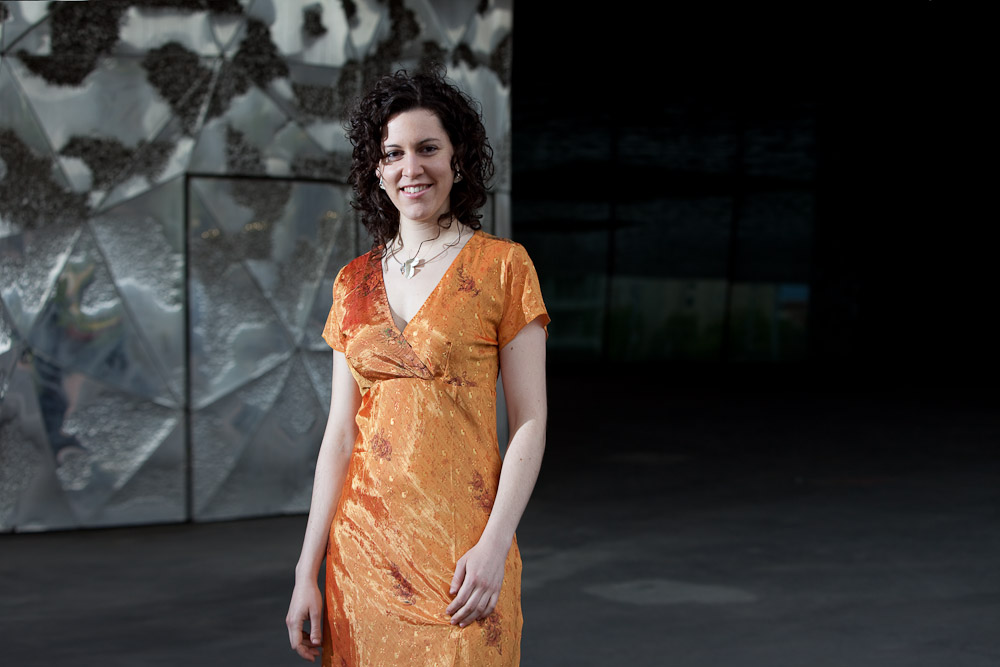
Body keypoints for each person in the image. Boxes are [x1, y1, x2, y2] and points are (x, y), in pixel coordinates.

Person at [285, 66, 549, 666]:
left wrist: (495, 544)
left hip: (464, 558)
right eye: (394, 153)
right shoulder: (351, 282)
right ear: (376, 169)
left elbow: (530, 421)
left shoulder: (503, 267)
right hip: (361, 557)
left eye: (428, 148)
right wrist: (306, 571)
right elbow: (340, 435)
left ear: (458, 158)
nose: (412, 168)